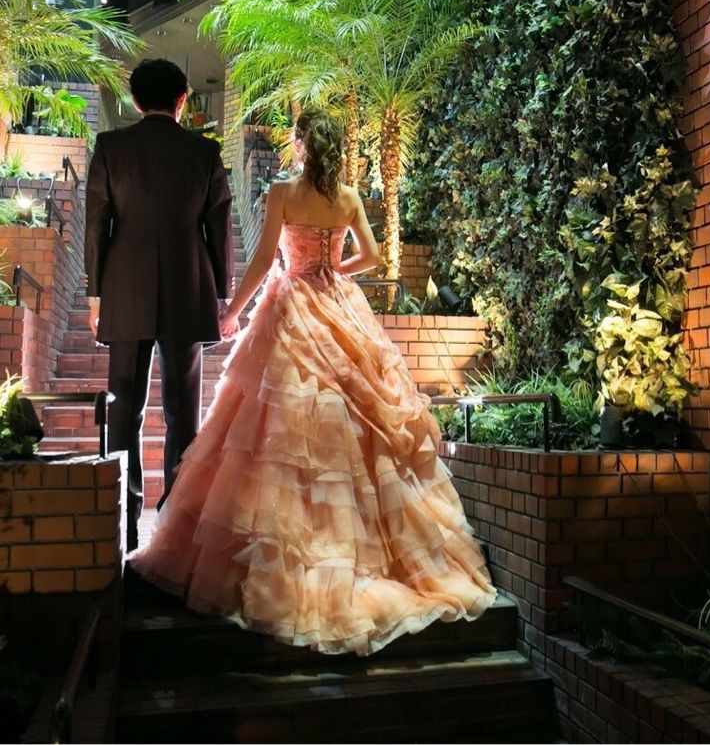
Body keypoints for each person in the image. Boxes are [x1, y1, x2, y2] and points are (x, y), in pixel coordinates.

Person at [130, 107, 496, 656]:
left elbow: (262, 260)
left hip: (293, 302)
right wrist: (336, 271)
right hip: (339, 302)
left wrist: (233, 311)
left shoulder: (282, 193)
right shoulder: (347, 198)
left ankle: (290, 557)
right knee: (352, 415)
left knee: (277, 421)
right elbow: (373, 256)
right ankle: (365, 555)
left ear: (300, 144)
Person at [84, 59, 234, 553]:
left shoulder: (111, 147)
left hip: (124, 290)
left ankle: (122, 525)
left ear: (134, 100)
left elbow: (96, 225)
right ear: (182, 100)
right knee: (183, 414)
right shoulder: (204, 152)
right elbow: (219, 227)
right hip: (188, 290)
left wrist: (94, 295)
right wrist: (222, 295)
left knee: (123, 411)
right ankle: (175, 529)